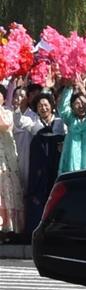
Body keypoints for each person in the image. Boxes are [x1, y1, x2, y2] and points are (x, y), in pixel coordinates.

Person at [24, 93, 65, 236]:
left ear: (52, 107)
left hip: (56, 164)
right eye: (40, 106)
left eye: (46, 105)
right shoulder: (34, 125)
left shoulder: (60, 123)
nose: (43, 108)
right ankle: (36, 231)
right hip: (39, 168)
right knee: (38, 197)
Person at [0, 102, 25, 240]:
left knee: (7, 192)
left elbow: (5, 124)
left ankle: (7, 230)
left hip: (6, 162)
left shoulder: (7, 113)